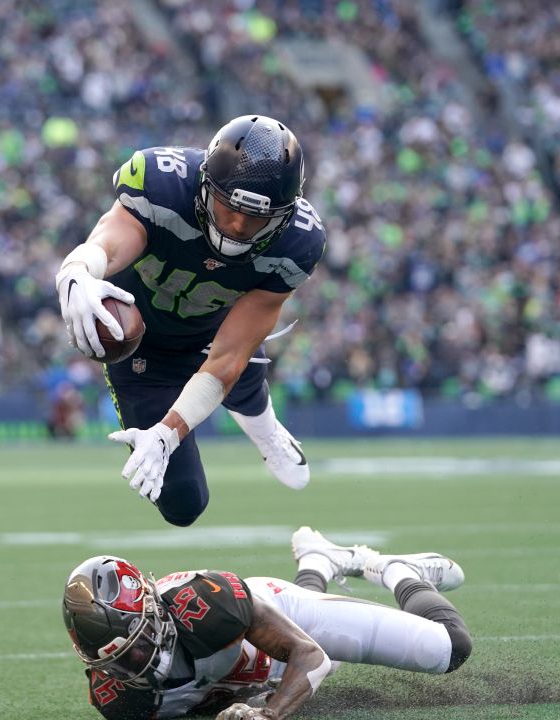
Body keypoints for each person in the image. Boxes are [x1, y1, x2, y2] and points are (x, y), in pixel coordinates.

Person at [55, 115, 327, 526]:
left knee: (243, 364)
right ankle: (247, 411)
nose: (236, 226)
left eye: (255, 219)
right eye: (229, 207)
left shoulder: (298, 243)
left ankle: (263, 424)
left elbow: (227, 360)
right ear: (204, 184)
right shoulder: (162, 183)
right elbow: (109, 242)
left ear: (284, 216)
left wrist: (167, 433)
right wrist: (77, 269)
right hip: (140, 342)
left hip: (212, 332)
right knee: (184, 505)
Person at [62, 527, 473, 720]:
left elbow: (310, 656)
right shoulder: (119, 698)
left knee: (447, 649)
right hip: (258, 673)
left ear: (153, 612)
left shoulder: (204, 604)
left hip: (286, 618)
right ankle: (318, 560)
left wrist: (268, 715)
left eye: (137, 645)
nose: (134, 665)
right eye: (117, 663)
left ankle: (391, 568)